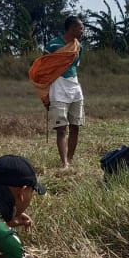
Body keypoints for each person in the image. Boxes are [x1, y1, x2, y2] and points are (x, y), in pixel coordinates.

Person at [44, 16, 85, 168]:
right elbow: (44, 68)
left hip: (75, 90)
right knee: (61, 129)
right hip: (58, 90)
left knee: (75, 126)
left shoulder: (78, 46)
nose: (82, 31)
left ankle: (70, 158)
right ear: (71, 28)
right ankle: (64, 163)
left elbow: (75, 66)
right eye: (80, 28)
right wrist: (45, 93)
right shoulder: (52, 45)